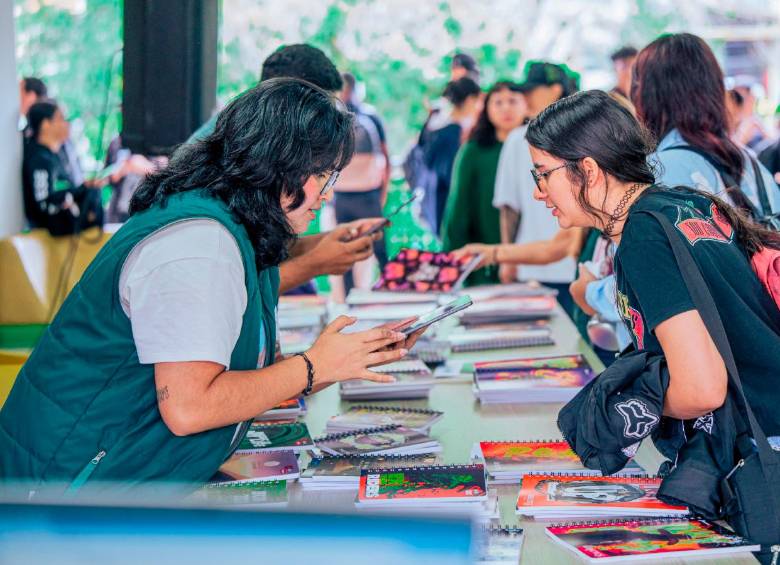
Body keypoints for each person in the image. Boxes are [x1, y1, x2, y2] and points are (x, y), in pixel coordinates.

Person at [0, 78, 425, 490]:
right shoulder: (201, 243)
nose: (328, 194)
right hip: (64, 493)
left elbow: (237, 378)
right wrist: (313, 366)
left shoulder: (234, 225)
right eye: (324, 176)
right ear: (280, 163)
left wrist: (341, 360)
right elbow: (189, 406)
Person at [526, 88, 780, 519]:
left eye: (543, 174)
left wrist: (626, 401)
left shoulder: (644, 236)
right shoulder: (683, 203)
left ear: (586, 170)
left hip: (758, 458)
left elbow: (701, 388)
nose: (539, 192)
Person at [572, 33, 780, 340]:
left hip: (704, 356)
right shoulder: (751, 163)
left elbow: (652, 285)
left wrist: (589, 292)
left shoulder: (659, 171)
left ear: (648, 94)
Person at [186, 43, 381, 295]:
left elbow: (259, 245)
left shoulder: (247, 143)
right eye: (318, 111)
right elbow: (230, 285)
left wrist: (324, 243)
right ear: (285, 102)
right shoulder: (225, 156)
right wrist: (314, 263)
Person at [492, 61, 578, 314]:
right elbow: (509, 206)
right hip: (529, 265)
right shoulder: (518, 138)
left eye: (531, 90)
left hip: (575, 266)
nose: (524, 97)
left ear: (554, 90)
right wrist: (508, 258)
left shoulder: (581, 136)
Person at [441, 81, 528, 285]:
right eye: (498, 102)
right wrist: (453, 261)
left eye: (513, 101)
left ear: (526, 105)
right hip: (482, 257)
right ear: (486, 109)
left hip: (534, 255)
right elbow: (458, 209)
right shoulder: (473, 151)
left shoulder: (541, 149)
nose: (506, 108)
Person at [332, 72, 390, 294]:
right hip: (343, 195)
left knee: (380, 247)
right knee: (344, 249)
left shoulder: (370, 116)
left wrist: (382, 192)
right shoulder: (332, 117)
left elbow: (385, 155)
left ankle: (391, 291)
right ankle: (348, 299)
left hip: (369, 194)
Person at [21, 100, 104, 236]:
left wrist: (82, 190)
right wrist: (76, 194)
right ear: (46, 124)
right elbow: (42, 206)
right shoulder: (40, 159)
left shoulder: (55, 157)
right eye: (60, 118)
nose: (67, 124)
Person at [418, 77, 482, 235]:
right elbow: (452, 173)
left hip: (431, 195)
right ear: (469, 100)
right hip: (447, 198)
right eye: (477, 101)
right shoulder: (453, 132)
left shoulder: (435, 123)